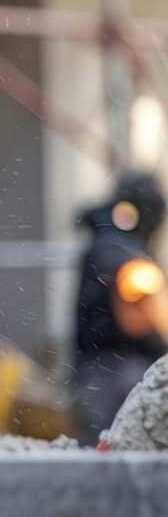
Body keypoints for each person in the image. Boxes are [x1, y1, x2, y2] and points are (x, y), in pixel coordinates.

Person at [74, 170, 168, 443]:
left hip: (100, 371)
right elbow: (136, 318)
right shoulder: (125, 258)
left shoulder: (109, 245)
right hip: (115, 373)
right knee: (116, 461)